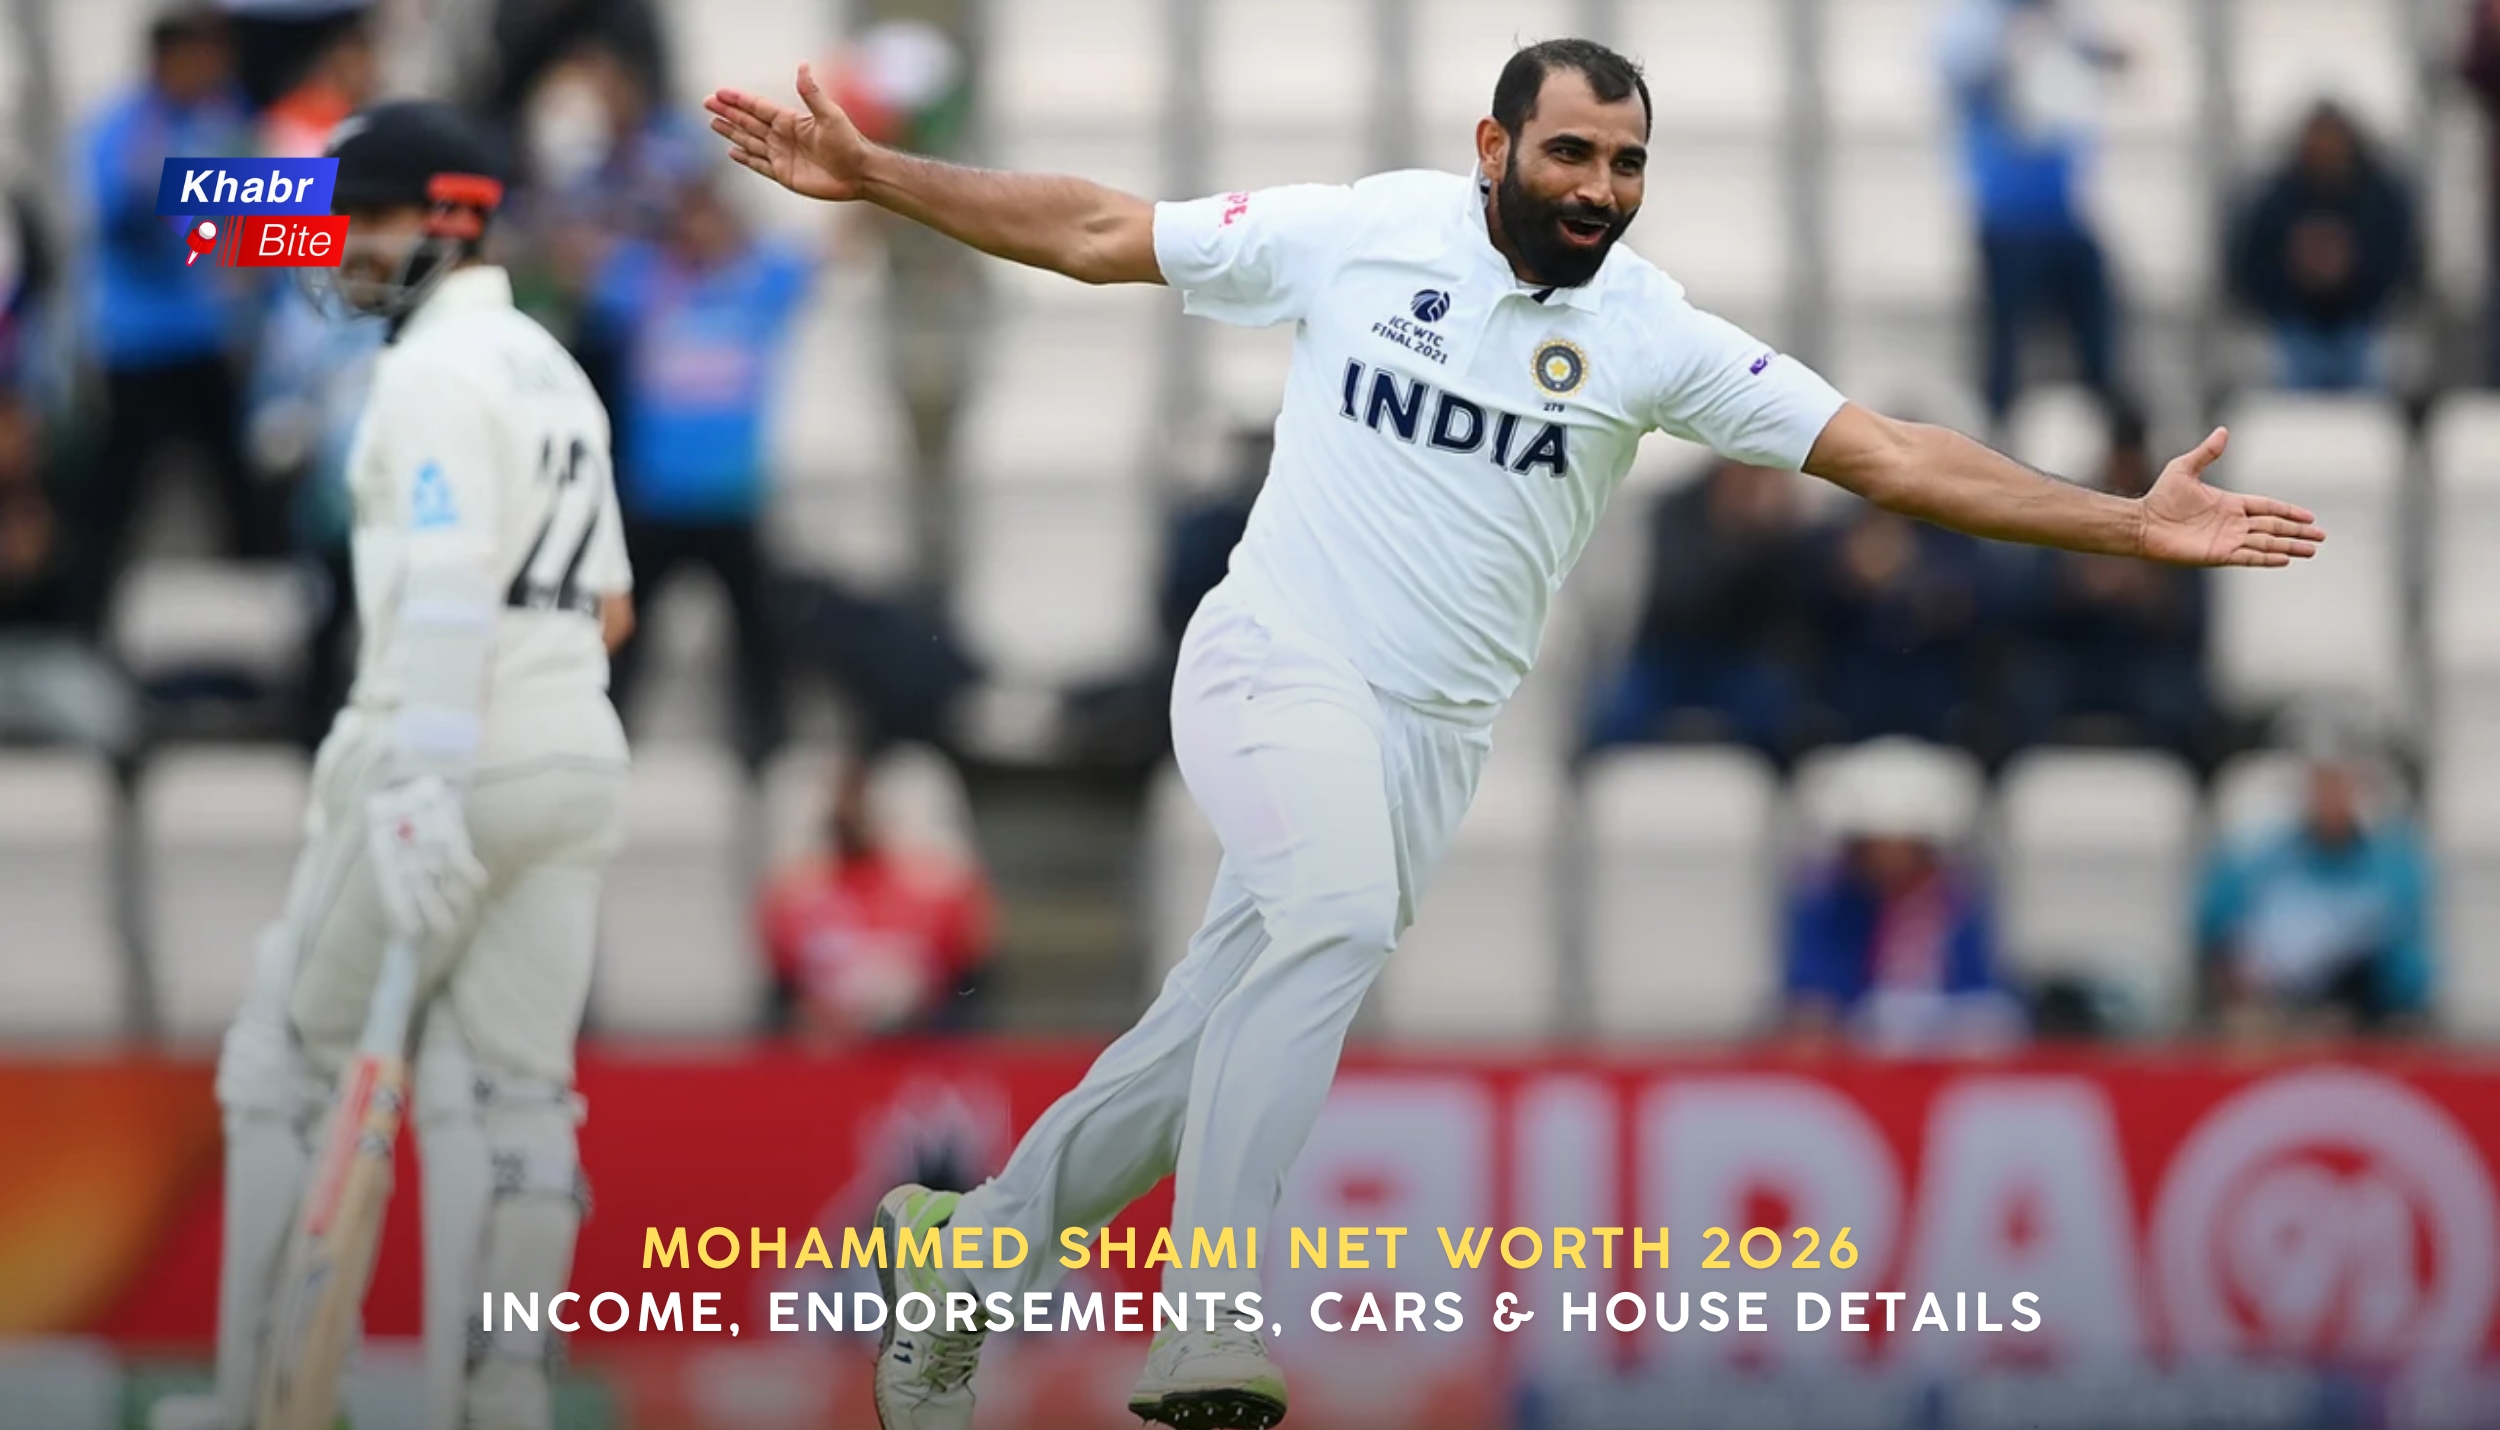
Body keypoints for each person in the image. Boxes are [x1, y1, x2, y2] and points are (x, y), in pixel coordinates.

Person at [709, 36, 2322, 1430]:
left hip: (1425, 746)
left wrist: (2123, 525)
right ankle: (1207, 1310)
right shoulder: (1365, 235)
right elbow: (1095, 228)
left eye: (1627, 164)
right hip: (1272, 663)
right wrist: (878, 178)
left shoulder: (1649, 330)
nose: (1601, 189)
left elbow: (1888, 455)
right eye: (1570, 151)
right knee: (1328, 923)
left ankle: (967, 1259)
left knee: (1200, 1043)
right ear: (1494, 146)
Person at [149, 102, 634, 1430]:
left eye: (357, 221)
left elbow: (446, 572)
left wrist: (425, 773)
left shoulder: (426, 374)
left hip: (446, 743)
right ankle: (501, 1401)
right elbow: (611, 608)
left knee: (281, 1064)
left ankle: (263, 1395)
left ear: (444, 219)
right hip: (575, 752)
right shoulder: (554, 367)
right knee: (520, 1097)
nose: (335, 248)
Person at [588, 172, 810, 766]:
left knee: (758, 636)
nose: (700, 231)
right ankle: (600, 741)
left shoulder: (759, 283)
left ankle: (766, 750)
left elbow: (837, 243)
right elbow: (576, 264)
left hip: (734, 500)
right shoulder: (643, 283)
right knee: (625, 636)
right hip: (657, 498)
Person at [71, 5, 260, 626]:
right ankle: (83, 619)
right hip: (137, 342)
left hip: (206, 336)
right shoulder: (121, 129)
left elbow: (256, 207)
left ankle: (259, 621)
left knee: (238, 485)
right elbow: (123, 215)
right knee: (115, 495)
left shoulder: (221, 116)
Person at [1937, 0, 2130, 419]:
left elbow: (2119, 58)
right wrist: (2023, 38)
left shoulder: (2063, 16)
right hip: (2006, 219)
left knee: (2099, 351)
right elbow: (1961, 69)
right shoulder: (1978, 19)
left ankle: (2108, 447)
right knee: (2004, 353)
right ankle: (1995, 437)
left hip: (2065, 214)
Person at [2004, 407, 2214, 758]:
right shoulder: (2070, 511)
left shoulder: (2181, 521)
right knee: (2026, 692)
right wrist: (2076, 584)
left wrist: (2150, 593)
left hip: (2143, 661)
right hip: (2077, 655)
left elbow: (2196, 620)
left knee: (2181, 704)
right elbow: (2026, 604)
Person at [1784, 739, 2020, 1049]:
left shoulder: (1961, 903)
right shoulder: (1828, 905)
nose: (1888, 859)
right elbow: (1811, 999)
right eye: (1874, 845)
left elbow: (1986, 995)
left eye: (1902, 846)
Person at [1586, 457, 1816, 755]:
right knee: (1613, 720)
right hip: (1668, 655)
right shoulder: (1675, 509)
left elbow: (1791, 607)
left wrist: (1773, 535)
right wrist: (1734, 531)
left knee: (1782, 717)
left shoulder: (1784, 526)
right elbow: (1678, 596)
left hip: (1741, 656)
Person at [2197, 749, 2434, 1034]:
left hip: (2366, 1015)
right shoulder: (2260, 863)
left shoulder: (2393, 867)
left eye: (2340, 788)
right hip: (2276, 1011)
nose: (2330, 801)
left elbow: (2407, 962)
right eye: (2322, 788)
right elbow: (2218, 935)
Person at [759, 755, 994, 1040]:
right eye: (842, 804)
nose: (852, 815)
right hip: (826, 1047)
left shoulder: (931, 889)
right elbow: (786, 982)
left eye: (860, 804)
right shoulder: (796, 896)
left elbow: (968, 957)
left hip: (919, 1039)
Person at [2227, 101, 2416, 392]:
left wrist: (2353, 272)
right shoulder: (2276, 200)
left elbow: (2401, 265)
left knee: (2371, 369)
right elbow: (2249, 266)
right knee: (2288, 370)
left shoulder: (2380, 199)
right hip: (2293, 325)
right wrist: (2297, 277)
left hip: (2361, 323)